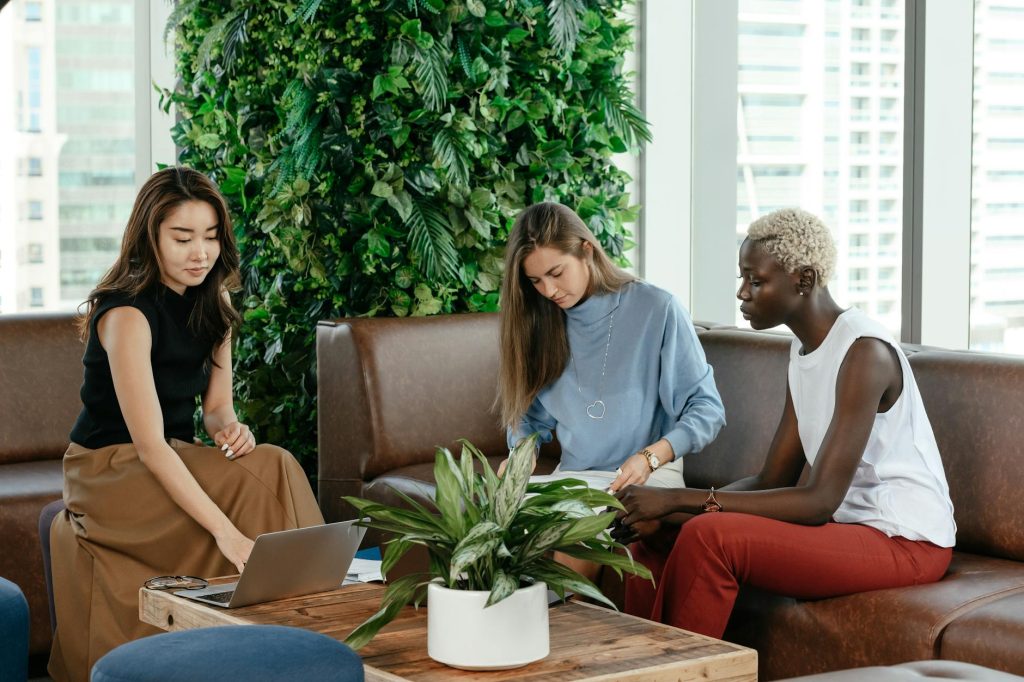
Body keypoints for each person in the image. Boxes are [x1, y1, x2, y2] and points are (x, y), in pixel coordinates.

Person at [614, 208, 956, 639]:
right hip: (851, 529)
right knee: (652, 537)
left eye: (756, 281)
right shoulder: (804, 350)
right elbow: (772, 478)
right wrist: (671, 512)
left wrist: (681, 498)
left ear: (804, 280)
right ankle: (640, 668)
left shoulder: (864, 353)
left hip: (906, 541)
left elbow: (818, 501)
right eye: (743, 279)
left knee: (711, 537)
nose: (742, 293)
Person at [48, 167, 324, 682]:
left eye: (212, 237)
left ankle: (283, 635)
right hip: (111, 471)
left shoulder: (214, 305)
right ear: (149, 237)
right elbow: (149, 445)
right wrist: (228, 536)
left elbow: (217, 410)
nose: (201, 252)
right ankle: (299, 630)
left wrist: (230, 430)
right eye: (183, 237)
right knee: (270, 475)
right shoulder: (125, 314)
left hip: (172, 452)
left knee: (269, 462)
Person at [496, 201, 726, 495]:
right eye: (536, 281)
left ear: (586, 251)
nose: (549, 290)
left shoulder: (657, 308)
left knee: (569, 533)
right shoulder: (540, 321)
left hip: (647, 479)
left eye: (556, 273)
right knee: (495, 522)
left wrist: (651, 457)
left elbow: (707, 409)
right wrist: (522, 452)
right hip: (574, 479)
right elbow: (528, 417)